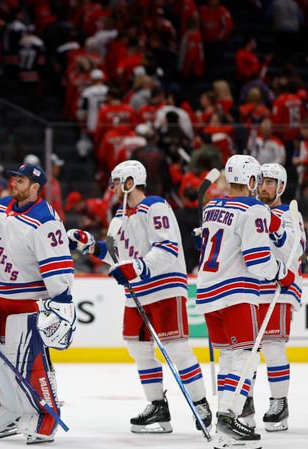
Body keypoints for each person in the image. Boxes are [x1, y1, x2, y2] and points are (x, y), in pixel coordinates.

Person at [70, 160, 212, 434]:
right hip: (137, 292)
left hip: (164, 287)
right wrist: (89, 245)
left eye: (116, 182)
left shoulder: (155, 206)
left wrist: (138, 267)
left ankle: (201, 403)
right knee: (138, 349)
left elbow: (167, 248)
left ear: (130, 182)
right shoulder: (119, 216)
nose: (112, 188)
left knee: (177, 349)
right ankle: (158, 406)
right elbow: (117, 255)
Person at [196, 154, 296, 449]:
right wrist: (281, 273)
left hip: (206, 292)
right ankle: (229, 419)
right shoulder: (253, 209)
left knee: (229, 357)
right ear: (251, 181)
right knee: (247, 356)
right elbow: (257, 261)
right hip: (235, 292)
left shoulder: (212, 206)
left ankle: (225, 421)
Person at [0, 162, 75, 444]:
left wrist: (62, 304)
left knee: (27, 362)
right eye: (14, 179)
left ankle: (46, 410)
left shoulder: (46, 221)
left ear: (36, 187)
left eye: (21, 181)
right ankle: (12, 405)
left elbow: (59, 267)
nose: (14, 184)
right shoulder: (0, 207)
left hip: (26, 302)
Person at [243, 163, 302, 432]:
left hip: (278, 289)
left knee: (273, 346)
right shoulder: (251, 211)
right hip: (252, 290)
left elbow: (294, 248)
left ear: (280, 187)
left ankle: (280, 403)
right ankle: (245, 402)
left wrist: (277, 228)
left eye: (269, 182)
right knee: (245, 350)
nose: (263, 187)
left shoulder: (288, 212)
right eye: (261, 181)